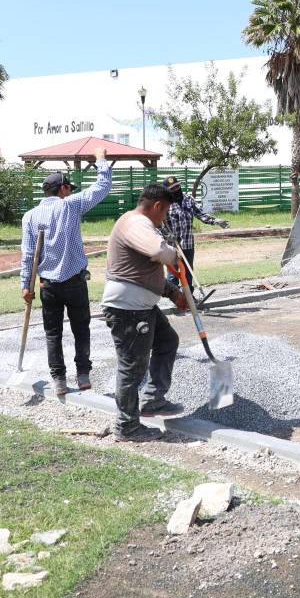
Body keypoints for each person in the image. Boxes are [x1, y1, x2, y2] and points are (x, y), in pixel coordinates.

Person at [21, 146, 113, 396]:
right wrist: (101, 159)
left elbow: (29, 255)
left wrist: (25, 285)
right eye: (69, 187)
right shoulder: (70, 206)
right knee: (81, 329)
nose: (70, 191)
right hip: (74, 281)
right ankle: (83, 374)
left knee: (53, 333)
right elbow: (102, 187)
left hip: (47, 285)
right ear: (62, 189)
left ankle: (58, 379)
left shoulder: (29, 217)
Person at [102, 183, 189, 442]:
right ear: (157, 206)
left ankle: (152, 400)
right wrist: (175, 255)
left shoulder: (140, 225)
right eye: (165, 213)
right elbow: (158, 252)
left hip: (141, 306)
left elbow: (145, 272)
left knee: (167, 342)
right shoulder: (136, 223)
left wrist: (173, 292)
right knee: (132, 368)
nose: (164, 219)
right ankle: (126, 426)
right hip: (128, 310)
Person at [160, 176, 229, 288]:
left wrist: (216, 221)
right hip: (172, 245)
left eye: (177, 186)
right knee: (173, 275)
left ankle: (189, 298)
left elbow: (201, 214)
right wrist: (167, 234)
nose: (176, 189)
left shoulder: (189, 199)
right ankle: (177, 300)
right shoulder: (165, 204)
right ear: (168, 191)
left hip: (188, 244)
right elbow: (159, 224)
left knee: (188, 272)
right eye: (173, 188)